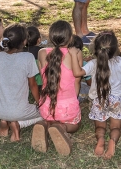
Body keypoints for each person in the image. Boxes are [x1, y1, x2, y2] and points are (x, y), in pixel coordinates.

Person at [70, 31, 121, 159]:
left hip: (98, 100)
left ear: (95, 48)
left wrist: (73, 55)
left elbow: (77, 73)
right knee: (116, 126)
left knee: (100, 126)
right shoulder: (120, 61)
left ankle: (100, 139)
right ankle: (113, 141)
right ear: (115, 49)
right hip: (116, 100)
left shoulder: (93, 63)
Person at [33, 20, 83, 156]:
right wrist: (74, 100)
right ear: (71, 37)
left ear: (50, 37)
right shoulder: (76, 53)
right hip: (67, 108)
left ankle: (45, 124)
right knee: (75, 125)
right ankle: (62, 127)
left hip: (46, 106)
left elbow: (43, 79)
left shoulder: (42, 53)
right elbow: (77, 81)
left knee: (50, 118)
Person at [0, 24, 43, 142]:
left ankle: (5, 121)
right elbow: (33, 85)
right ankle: (18, 124)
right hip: (20, 112)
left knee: (9, 112)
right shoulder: (28, 57)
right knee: (47, 114)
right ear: (25, 41)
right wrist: (40, 103)